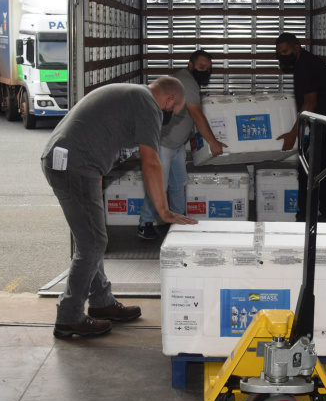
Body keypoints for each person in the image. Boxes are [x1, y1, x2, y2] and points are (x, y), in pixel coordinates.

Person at [41, 77, 198, 339]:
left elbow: (99, 132)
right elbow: (151, 163)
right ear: (169, 101)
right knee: (93, 243)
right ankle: (69, 317)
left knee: (92, 239)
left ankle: (102, 302)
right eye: (175, 112)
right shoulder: (147, 103)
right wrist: (164, 212)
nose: (171, 116)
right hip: (74, 165)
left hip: (72, 164)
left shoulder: (135, 97)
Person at [137, 50, 227, 240]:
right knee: (159, 185)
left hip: (176, 144)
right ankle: (144, 224)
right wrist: (213, 142)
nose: (205, 71)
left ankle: (177, 220)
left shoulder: (188, 81)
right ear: (190, 65)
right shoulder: (186, 81)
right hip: (162, 144)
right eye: (202, 67)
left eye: (208, 69)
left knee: (178, 183)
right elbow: (196, 114)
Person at [274, 32, 326, 223]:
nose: (282, 56)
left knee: (309, 168)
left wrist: (294, 134)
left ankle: (307, 217)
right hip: (323, 121)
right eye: (279, 53)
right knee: (314, 167)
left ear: (296, 48)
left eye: (285, 51)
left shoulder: (306, 67)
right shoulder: (303, 64)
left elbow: (310, 102)